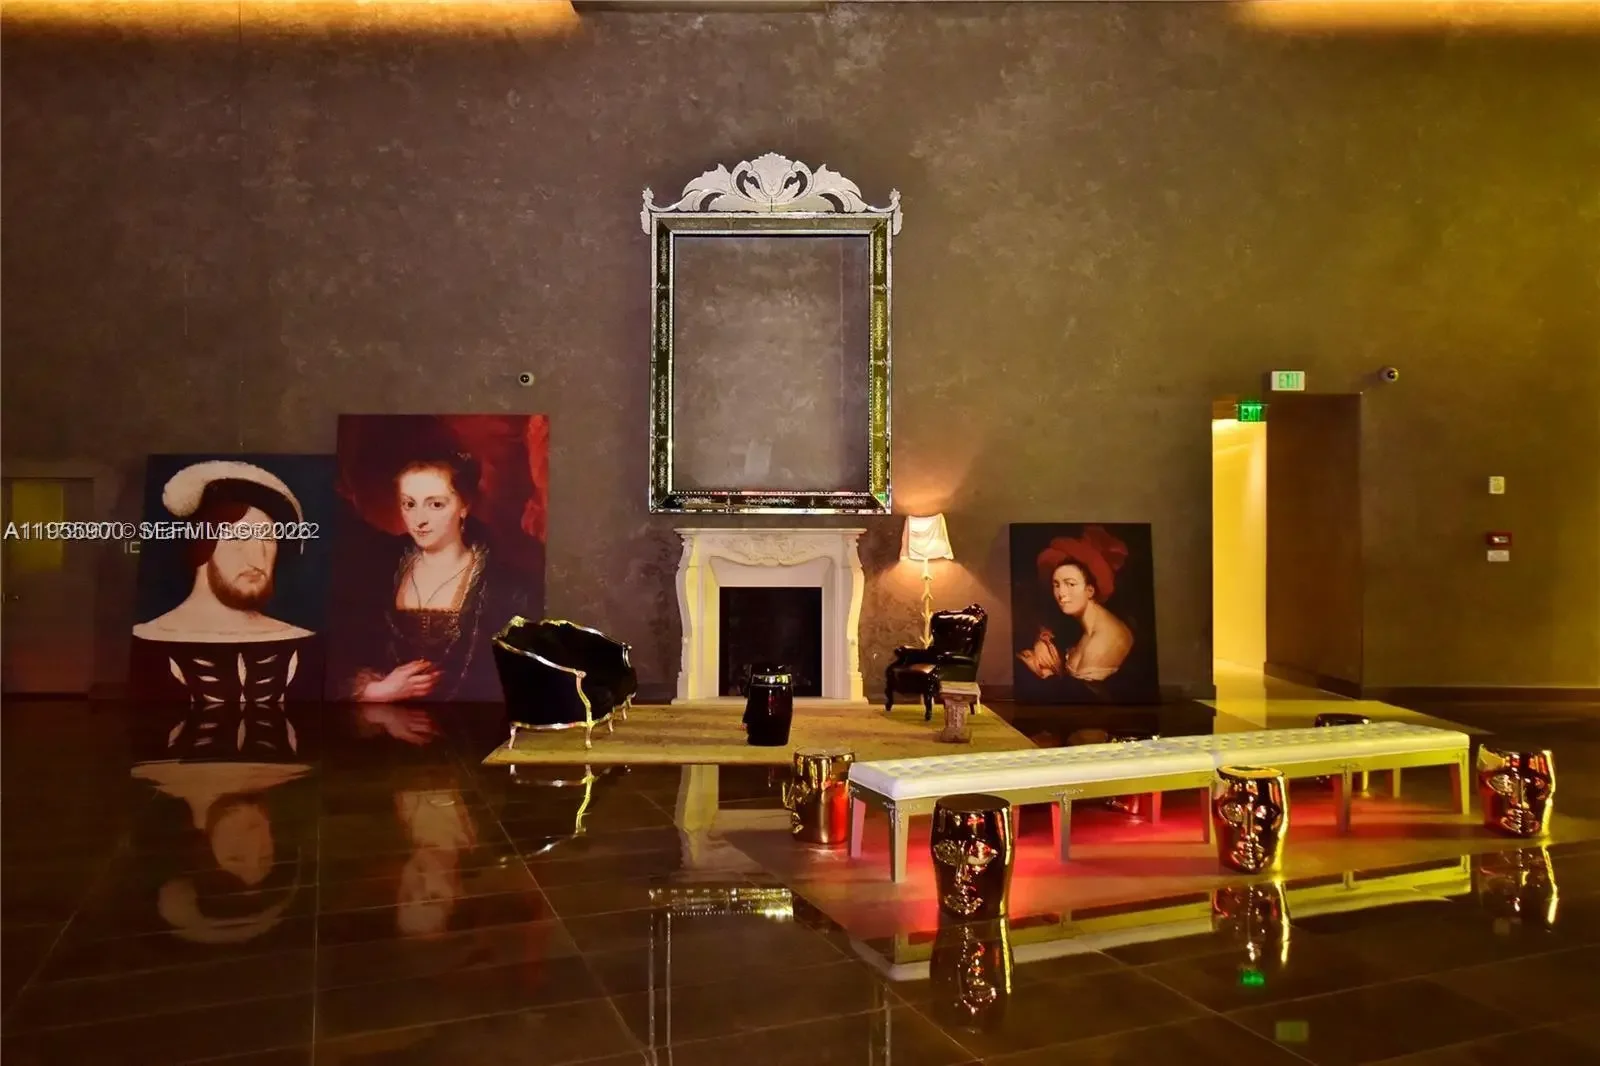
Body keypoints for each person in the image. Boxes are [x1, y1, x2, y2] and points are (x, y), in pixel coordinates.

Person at [337, 451, 532, 703]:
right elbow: (340, 655)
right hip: (384, 720)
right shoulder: (377, 572)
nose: (419, 520)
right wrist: (378, 691)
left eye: (436, 504)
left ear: (464, 506)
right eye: (409, 504)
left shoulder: (506, 586)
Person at [130, 461, 321, 703]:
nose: (257, 559)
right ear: (203, 545)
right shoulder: (146, 643)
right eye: (240, 538)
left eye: (268, 540)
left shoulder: (306, 643)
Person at [1017, 525, 1139, 695]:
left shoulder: (1103, 641)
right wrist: (1041, 642)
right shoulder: (1080, 624)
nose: (1061, 593)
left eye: (1070, 584)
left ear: (1090, 590)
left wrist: (1048, 675)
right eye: (1056, 585)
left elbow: (1081, 697)